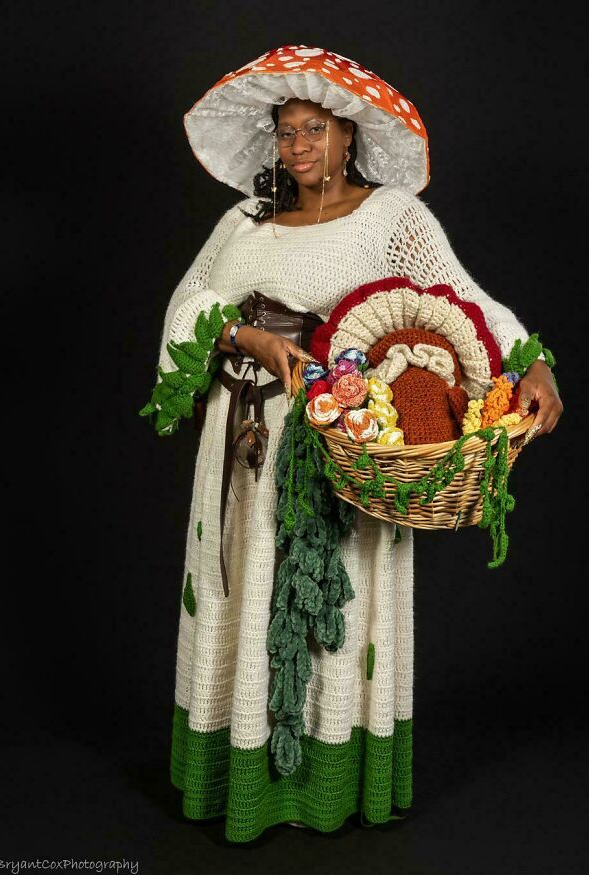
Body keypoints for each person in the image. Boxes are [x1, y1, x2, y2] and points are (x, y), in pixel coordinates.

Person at [141, 45, 563, 845]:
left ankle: (328, 779)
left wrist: (533, 361)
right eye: (285, 132)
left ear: (348, 137)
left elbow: (464, 299)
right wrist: (244, 337)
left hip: (343, 442)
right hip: (244, 437)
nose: (297, 147)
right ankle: (239, 775)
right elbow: (189, 300)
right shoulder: (244, 220)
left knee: (333, 601)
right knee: (245, 589)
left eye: (314, 130)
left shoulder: (394, 219)